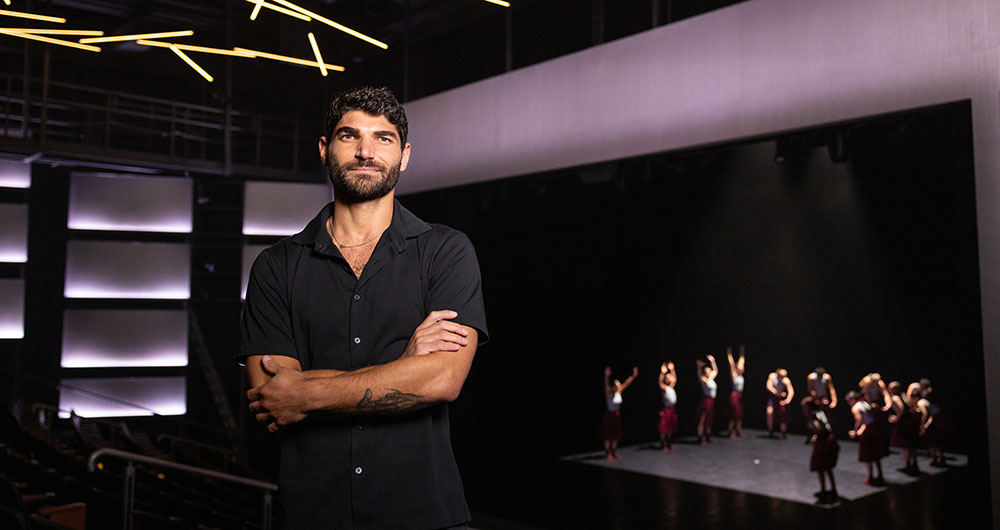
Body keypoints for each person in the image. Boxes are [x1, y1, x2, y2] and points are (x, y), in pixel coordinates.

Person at [239, 87, 489, 529]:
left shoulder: (446, 251)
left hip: (425, 516)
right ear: (324, 148)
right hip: (312, 517)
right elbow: (273, 398)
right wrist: (405, 365)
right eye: (349, 136)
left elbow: (443, 378)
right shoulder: (275, 266)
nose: (365, 151)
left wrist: (308, 392)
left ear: (404, 155)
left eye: (383, 138)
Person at [847, 390, 887, 486]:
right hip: (875, 429)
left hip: (869, 432)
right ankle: (880, 475)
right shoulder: (864, 403)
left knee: (868, 455)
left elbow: (859, 420)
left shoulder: (856, 407)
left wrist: (855, 431)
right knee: (875, 454)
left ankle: (870, 477)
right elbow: (868, 420)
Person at [806, 397, 839, 504]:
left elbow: (818, 428)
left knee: (820, 466)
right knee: (827, 466)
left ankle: (823, 490)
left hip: (823, 441)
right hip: (828, 438)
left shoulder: (813, 415)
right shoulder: (820, 412)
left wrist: (815, 437)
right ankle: (833, 489)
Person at [600, 366, 638, 460]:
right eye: (616, 385)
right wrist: (606, 375)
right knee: (608, 435)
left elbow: (627, 383)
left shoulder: (619, 392)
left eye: (618, 385)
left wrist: (633, 376)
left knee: (616, 435)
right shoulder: (608, 393)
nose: (618, 386)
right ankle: (607, 452)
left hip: (617, 416)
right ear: (613, 387)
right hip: (610, 415)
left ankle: (613, 451)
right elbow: (606, 384)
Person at [888, 381, 920, 475]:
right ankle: (914, 463)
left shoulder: (895, 397)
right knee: (911, 445)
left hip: (904, 422)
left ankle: (908, 464)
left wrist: (897, 418)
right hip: (909, 421)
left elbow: (901, 408)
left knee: (906, 445)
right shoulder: (904, 395)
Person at [801, 367, 838, 444]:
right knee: (810, 415)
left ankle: (828, 436)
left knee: (827, 418)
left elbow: (831, 389)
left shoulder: (827, 378)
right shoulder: (811, 377)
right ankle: (812, 434)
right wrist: (816, 399)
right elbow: (811, 390)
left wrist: (834, 400)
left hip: (823, 398)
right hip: (814, 399)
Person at [695, 355, 719, 445]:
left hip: (712, 401)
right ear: (705, 373)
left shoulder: (711, 379)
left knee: (709, 419)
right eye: (708, 371)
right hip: (706, 401)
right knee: (703, 418)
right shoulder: (704, 380)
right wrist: (699, 367)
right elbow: (699, 375)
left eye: (710, 371)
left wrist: (713, 361)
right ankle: (700, 437)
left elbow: (716, 370)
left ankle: (708, 435)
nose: (710, 372)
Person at [766, 368, 794, 439]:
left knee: (782, 415)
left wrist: (788, 400)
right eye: (780, 376)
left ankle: (783, 432)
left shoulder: (786, 380)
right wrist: (776, 392)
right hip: (773, 398)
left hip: (780, 399)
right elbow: (768, 386)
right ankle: (770, 431)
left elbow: (791, 391)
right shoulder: (772, 376)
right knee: (769, 412)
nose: (781, 378)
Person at [658, 362, 679, 451]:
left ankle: (669, 443)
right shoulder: (665, 387)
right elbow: (659, 382)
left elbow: (675, 379)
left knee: (670, 427)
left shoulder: (671, 387)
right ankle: (663, 444)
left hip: (672, 409)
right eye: (669, 377)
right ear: (666, 380)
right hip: (666, 410)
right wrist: (662, 373)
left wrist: (672, 369)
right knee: (664, 427)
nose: (671, 378)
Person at [726, 346, 746, 439]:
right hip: (734, 395)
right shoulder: (734, 375)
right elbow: (731, 365)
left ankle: (738, 430)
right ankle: (730, 432)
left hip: (740, 396)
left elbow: (742, 361)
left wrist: (742, 353)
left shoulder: (741, 375)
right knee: (733, 414)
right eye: (741, 367)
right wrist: (729, 355)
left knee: (739, 414)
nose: (742, 368)